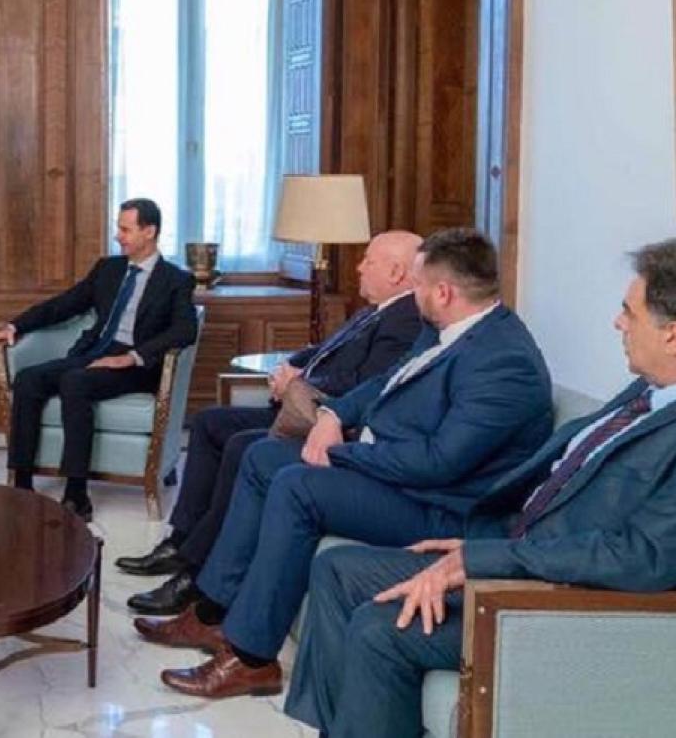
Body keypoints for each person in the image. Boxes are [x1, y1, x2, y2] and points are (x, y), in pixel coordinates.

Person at [138, 228, 553, 700]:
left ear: (443, 292)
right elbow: (386, 381)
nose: (411, 293)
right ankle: (213, 611)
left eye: (417, 284)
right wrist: (333, 415)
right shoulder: (445, 329)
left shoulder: (504, 362)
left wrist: (341, 453)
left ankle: (252, 659)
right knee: (263, 456)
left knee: (298, 487)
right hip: (397, 473)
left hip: (441, 507)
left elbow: (438, 464)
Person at [286, 238, 676, 737]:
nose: (618, 323)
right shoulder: (645, 392)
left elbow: (641, 557)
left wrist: (485, 559)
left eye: (629, 312)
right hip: (510, 549)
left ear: (670, 334)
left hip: (554, 595)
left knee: (380, 628)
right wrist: (483, 544)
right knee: (338, 569)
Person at [117, 230, 424, 615]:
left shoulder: (406, 320)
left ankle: (195, 571)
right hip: (298, 411)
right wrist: (289, 366)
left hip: (323, 424)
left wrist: (299, 381)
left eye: (369, 261)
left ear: (396, 272)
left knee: (242, 446)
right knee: (210, 422)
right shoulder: (375, 310)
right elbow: (325, 351)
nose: (359, 267)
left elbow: (363, 382)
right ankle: (181, 541)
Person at [0, 198, 197, 521]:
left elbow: (186, 330)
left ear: (149, 232)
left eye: (125, 230)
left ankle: (76, 494)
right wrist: (16, 325)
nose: (118, 236)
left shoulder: (175, 280)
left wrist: (132, 357)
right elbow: (65, 304)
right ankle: (22, 484)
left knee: (75, 382)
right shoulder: (108, 269)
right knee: (28, 379)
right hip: (94, 352)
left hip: (135, 367)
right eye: (119, 228)